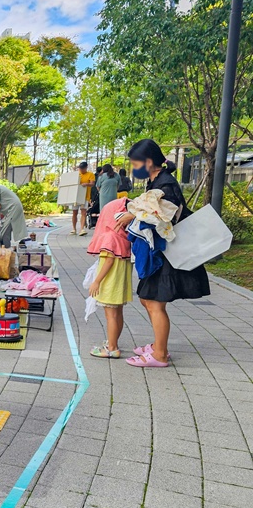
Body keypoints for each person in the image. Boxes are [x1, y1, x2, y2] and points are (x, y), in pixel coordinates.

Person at [114, 139, 210, 368]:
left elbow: (160, 216)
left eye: (135, 163)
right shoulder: (155, 181)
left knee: (154, 301)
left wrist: (132, 216)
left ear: (148, 162)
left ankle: (159, 355)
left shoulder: (167, 184)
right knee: (149, 299)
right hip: (160, 250)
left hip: (167, 252)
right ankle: (159, 347)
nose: (133, 167)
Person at [87, 198, 133, 358]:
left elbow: (108, 260)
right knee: (118, 313)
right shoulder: (124, 237)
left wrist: (97, 281)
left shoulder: (109, 236)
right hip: (120, 283)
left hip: (110, 282)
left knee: (110, 315)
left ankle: (112, 348)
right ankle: (113, 342)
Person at [71, 162, 95, 236]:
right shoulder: (77, 174)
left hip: (85, 196)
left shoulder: (90, 174)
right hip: (75, 196)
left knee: (83, 212)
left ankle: (82, 229)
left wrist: (86, 184)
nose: (81, 170)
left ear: (86, 168)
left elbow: (92, 183)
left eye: (82, 169)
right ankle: (74, 229)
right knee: (74, 212)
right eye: (80, 168)